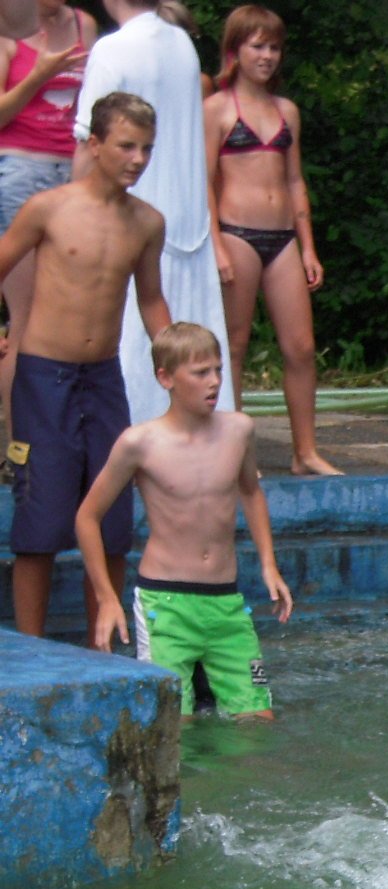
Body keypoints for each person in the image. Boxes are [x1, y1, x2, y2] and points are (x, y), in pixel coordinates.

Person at [1, 92, 167, 638]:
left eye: (146, 148)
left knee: (112, 514)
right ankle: (32, 645)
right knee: (42, 515)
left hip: (103, 379)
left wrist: (177, 356)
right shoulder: (49, 208)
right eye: (126, 146)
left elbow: (151, 300)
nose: (137, 159)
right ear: (94, 145)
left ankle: (104, 645)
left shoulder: (147, 222)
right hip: (42, 377)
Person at [76, 322, 292, 721]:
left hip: (227, 604)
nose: (215, 382)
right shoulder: (140, 443)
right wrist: (107, 598)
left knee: (259, 718)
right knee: (175, 723)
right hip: (166, 603)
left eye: (218, 370)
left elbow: (250, 492)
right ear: (166, 378)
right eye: (200, 373)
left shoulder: (239, 430)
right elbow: (87, 517)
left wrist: (269, 564)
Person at [72, 0, 233, 425]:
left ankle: (124, 444)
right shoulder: (182, 44)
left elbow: (89, 146)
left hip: (128, 222)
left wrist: (71, 219)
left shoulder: (113, 49)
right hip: (187, 224)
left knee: (126, 348)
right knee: (188, 345)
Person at [205, 5, 339, 476]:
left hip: (283, 237)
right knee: (234, 345)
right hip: (236, 232)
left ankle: (305, 451)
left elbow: (295, 180)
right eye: (257, 46)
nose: (266, 56)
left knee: (301, 346)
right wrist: (215, 244)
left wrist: (308, 247)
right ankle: (236, 451)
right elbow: (204, 182)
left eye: (274, 47)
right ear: (235, 50)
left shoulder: (287, 111)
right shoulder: (217, 109)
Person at [0, 0, 95, 461]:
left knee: (70, 310)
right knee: (24, 317)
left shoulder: (84, 25)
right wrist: (38, 75)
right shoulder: (7, 32)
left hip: (73, 173)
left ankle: (63, 436)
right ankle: (17, 448)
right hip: (22, 170)